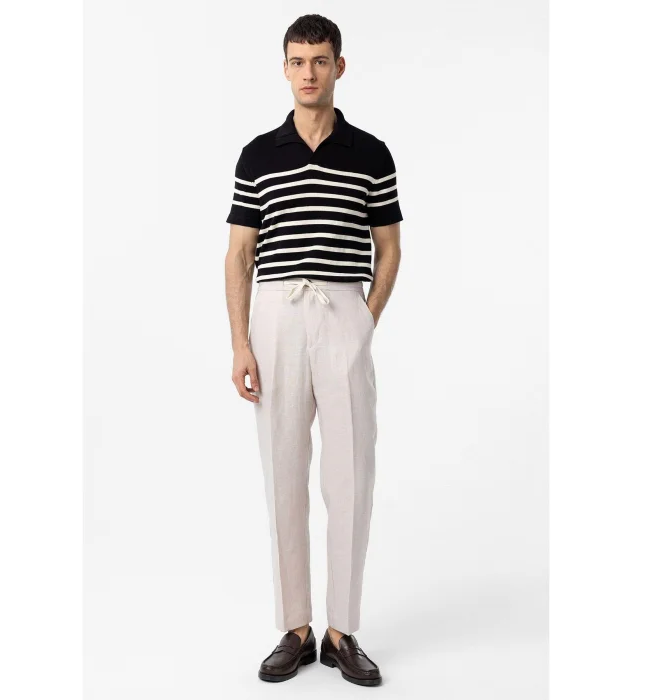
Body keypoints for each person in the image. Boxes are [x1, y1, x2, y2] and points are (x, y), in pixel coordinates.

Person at [224, 13, 402, 687]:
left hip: (342, 309)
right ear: (284, 68)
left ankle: (342, 629)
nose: (308, 72)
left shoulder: (371, 153)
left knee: (351, 474)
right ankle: (295, 628)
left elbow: (389, 247)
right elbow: (239, 255)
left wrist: (365, 320)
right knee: (283, 471)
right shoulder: (257, 155)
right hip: (276, 316)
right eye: (298, 61)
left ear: (339, 67)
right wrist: (241, 343)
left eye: (320, 60)